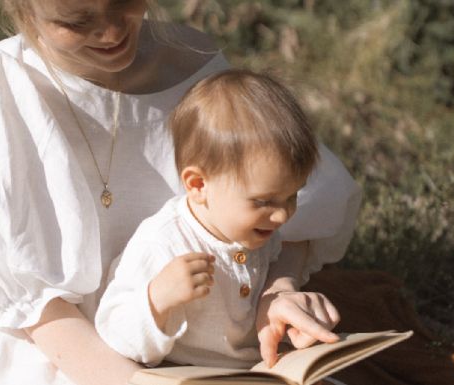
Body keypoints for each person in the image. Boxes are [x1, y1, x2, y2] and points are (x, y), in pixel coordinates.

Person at [0, 1, 361, 385]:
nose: (111, 31)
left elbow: (287, 206)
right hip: (59, 340)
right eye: (75, 20)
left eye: (124, 1)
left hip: (203, 332)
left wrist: (274, 294)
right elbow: (33, 308)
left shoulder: (193, 67)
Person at [95, 69, 340, 369]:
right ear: (198, 185)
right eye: (263, 201)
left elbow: (273, 270)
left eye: (292, 197)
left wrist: (283, 313)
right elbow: (113, 330)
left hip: (253, 369)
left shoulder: (257, 230)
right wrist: (157, 299)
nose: (282, 214)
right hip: (185, 373)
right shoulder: (163, 243)